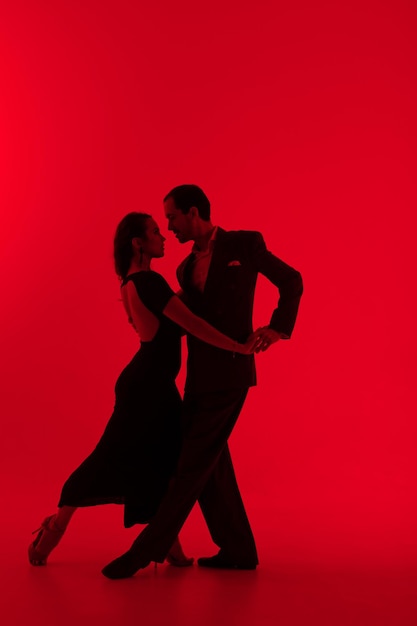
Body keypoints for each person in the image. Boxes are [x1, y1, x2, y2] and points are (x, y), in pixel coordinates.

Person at [28, 212, 257, 568]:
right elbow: (192, 325)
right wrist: (237, 347)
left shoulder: (132, 282)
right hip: (146, 387)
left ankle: (168, 545)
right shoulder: (150, 282)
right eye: (154, 232)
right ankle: (53, 529)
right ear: (138, 243)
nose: (163, 236)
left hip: (151, 384)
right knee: (109, 458)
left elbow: (174, 321)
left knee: (166, 460)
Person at [102, 185, 303, 579]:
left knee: (191, 465)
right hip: (195, 376)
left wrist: (278, 328)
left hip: (230, 373)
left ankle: (145, 551)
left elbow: (292, 280)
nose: (169, 228)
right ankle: (238, 549)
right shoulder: (181, 269)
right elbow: (184, 321)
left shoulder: (245, 244)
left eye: (172, 218)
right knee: (212, 464)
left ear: (193, 212)